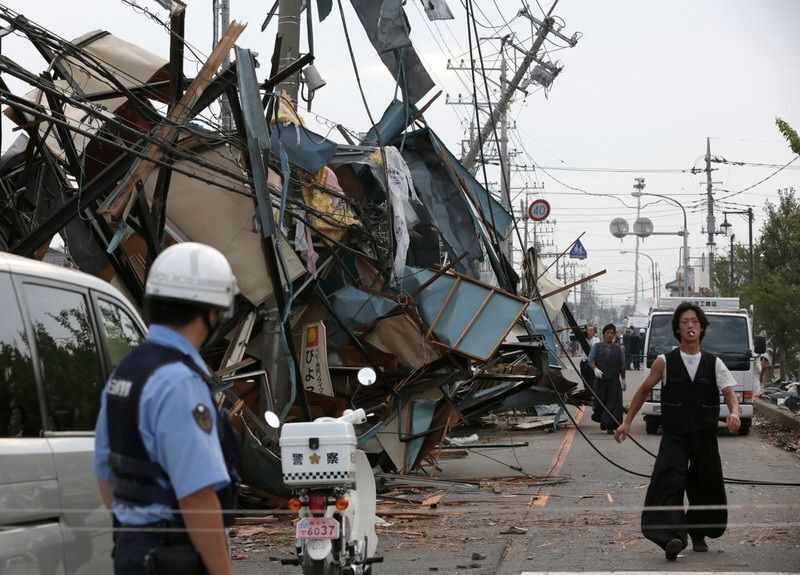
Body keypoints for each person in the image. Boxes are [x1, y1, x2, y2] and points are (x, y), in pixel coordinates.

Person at [93, 243, 241, 575]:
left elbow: (105, 474)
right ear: (212, 313)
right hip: (173, 557)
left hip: (133, 552)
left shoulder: (127, 370)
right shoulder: (179, 382)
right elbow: (197, 496)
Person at [614, 302, 740, 562]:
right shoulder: (665, 361)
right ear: (677, 329)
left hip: (705, 435)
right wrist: (627, 422)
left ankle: (699, 533)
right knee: (667, 481)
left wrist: (735, 413)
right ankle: (671, 537)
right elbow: (643, 391)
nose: (690, 325)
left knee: (705, 484)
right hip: (675, 435)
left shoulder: (714, 362)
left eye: (694, 321)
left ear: (702, 328)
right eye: (685, 322)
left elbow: (729, 393)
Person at [587, 324, 626, 433]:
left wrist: (623, 379)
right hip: (600, 381)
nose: (610, 335)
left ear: (614, 335)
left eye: (612, 333)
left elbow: (622, 365)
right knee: (600, 403)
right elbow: (590, 360)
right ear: (603, 334)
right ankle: (602, 419)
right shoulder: (596, 346)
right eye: (607, 332)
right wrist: (595, 369)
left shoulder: (618, 349)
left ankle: (610, 426)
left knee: (613, 404)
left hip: (613, 380)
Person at [579, 325, 602, 418]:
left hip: (591, 363)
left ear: (594, 332)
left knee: (593, 381)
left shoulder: (596, 340)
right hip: (584, 362)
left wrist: (584, 341)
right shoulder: (583, 339)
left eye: (590, 330)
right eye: (587, 330)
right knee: (585, 380)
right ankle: (588, 394)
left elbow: (593, 348)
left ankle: (594, 397)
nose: (588, 332)